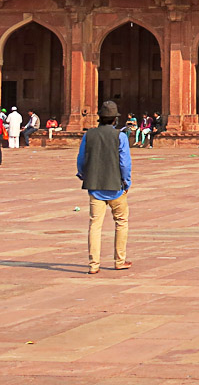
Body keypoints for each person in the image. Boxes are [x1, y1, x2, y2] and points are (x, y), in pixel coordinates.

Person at [76, 101, 132, 275]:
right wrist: (126, 182)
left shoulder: (89, 135)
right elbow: (125, 163)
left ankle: (94, 264)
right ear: (115, 119)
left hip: (95, 187)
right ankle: (119, 260)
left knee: (95, 225)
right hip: (115, 186)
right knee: (121, 222)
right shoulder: (120, 136)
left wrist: (83, 174)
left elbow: (81, 158)